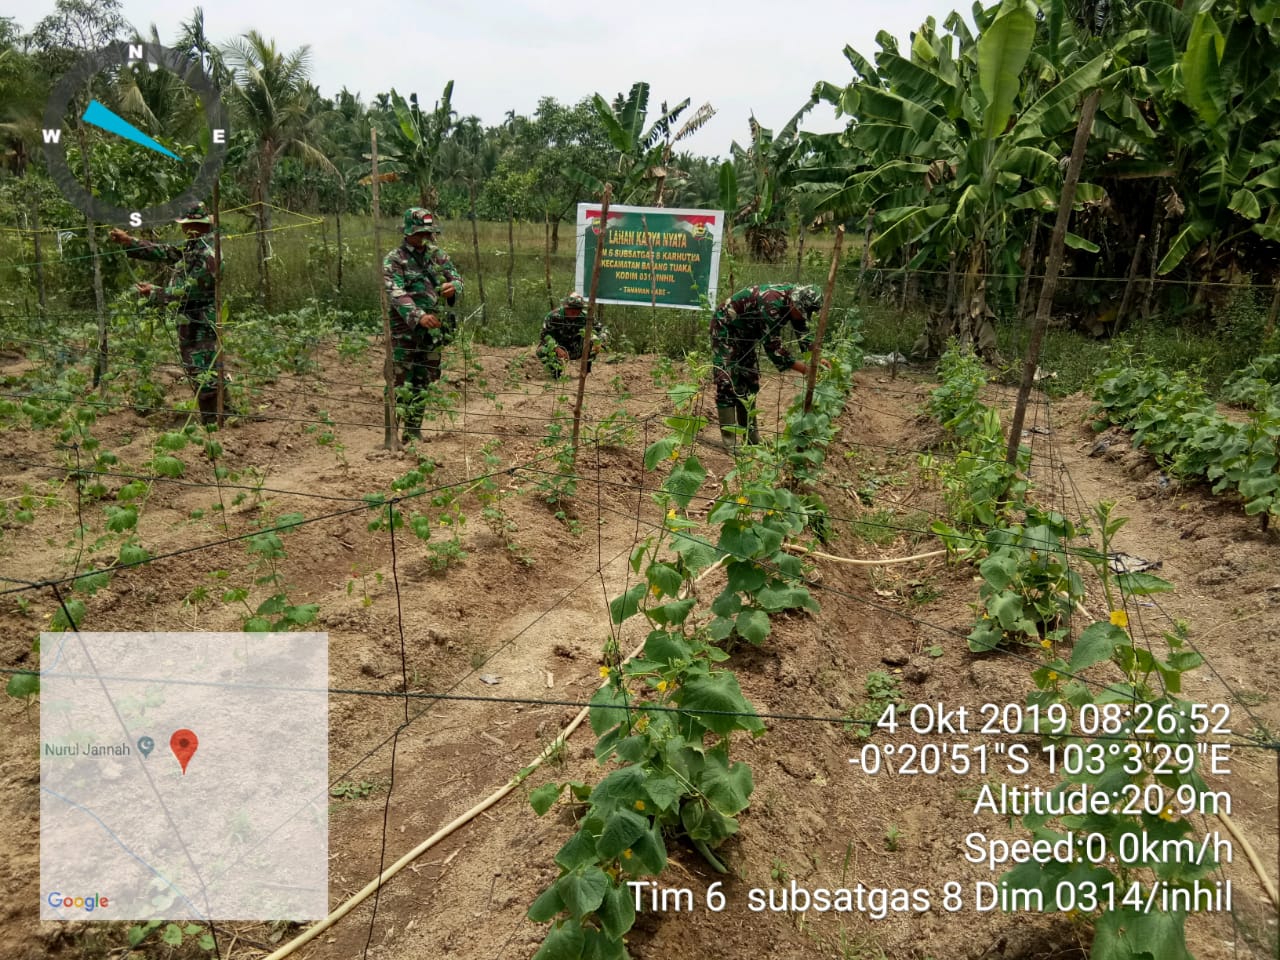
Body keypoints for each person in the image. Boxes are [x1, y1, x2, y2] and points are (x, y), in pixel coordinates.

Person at [108, 202, 223, 425]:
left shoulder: (209, 255)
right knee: (200, 369)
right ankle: (218, 416)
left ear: (197, 226)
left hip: (201, 322)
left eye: (187, 225)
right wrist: (129, 242)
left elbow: (191, 292)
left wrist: (156, 293)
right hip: (189, 320)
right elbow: (166, 252)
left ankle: (215, 422)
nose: (183, 229)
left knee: (203, 370)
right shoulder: (193, 246)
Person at [383, 208, 464, 442]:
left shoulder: (437, 255)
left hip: (433, 331)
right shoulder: (394, 259)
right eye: (419, 233)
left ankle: (413, 431)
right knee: (398, 381)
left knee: (423, 380)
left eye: (427, 233)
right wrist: (418, 316)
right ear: (408, 232)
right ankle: (391, 436)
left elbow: (456, 278)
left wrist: (454, 287)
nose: (424, 238)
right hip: (404, 332)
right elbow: (396, 293)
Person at [709, 282, 823, 447]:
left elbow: (802, 329)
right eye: (801, 312)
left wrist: (816, 357)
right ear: (794, 303)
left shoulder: (794, 300)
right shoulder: (771, 303)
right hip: (725, 327)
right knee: (727, 381)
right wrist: (806, 370)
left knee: (749, 381)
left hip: (746, 333)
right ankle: (730, 443)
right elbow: (774, 349)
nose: (802, 317)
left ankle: (752, 440)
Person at [539, 292, 603, 378]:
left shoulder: (586, 317)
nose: (575, 313)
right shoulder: (553, 316)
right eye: (572, 310)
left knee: (592, 342)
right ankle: (556, 372)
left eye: (578, 310)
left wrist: (599, 341)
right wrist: (556, 347)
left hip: (577, 349)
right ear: (566, 307)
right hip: (559, 349)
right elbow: (545, 335)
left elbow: (602, 330)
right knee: (541, 350)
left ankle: (585, 372)